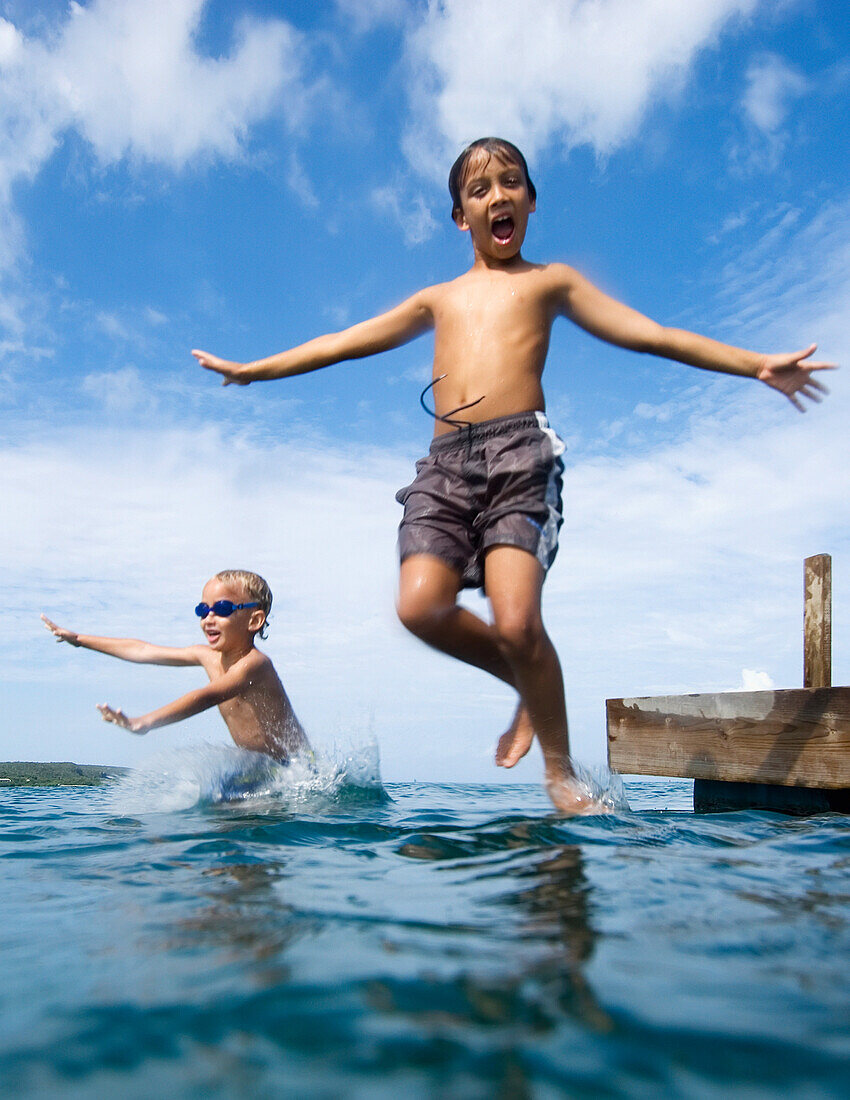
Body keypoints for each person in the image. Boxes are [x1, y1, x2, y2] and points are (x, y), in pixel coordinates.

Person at [191, 137, 833, 813]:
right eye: (480, 189)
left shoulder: (550, 282)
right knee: (418, 606)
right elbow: (342, 342)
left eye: (512, 183)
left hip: (519, 456)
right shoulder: (438, 298)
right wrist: (254, 368)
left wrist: (754, 363)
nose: (498, 195)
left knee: (520, 619)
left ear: (529, 201)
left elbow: (650, 333)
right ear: (460, 217)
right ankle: (527, 684)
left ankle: (560, 774)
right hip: (443, 468)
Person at [42, 569, 310, 764]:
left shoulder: (256, 665)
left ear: (254, 620)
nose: (209, 619)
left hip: (296, 768)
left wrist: (145, 721)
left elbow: (207, 696)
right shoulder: (206, 656)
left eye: (223, 609)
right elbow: (142, 650)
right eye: (202, 610)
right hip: (260, 770)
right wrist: (79, 640)